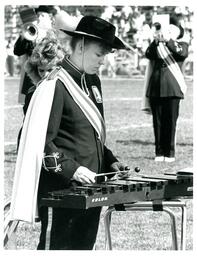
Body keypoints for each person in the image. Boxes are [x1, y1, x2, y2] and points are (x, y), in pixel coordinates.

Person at [10, 15, 130, 250]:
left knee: (84, 247)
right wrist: (73, 170)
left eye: (105, 55)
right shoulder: (55, 83)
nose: (103, 61)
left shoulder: (93, 82)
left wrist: (111, 161)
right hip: (61, 190)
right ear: (82, 46)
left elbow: (92, 136)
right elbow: (41, 142)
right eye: (99, 54)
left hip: (92, 188)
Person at [142, 15, 189, 162]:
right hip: (156, 89)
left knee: (170, 122)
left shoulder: (181, 44)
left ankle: (169, 153)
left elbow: (182, 53)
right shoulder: (157, 45)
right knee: (158, 123)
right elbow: (148, 54)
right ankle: (159, 152)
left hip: (173, 88)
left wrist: (168, 40)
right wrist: (156, 41)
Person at [14, 5, 57, 103]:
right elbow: (17, 51)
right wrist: (24, 34)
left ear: (50, 18)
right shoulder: (31, 32)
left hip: (48, 75)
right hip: (31, 78)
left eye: (42, 15)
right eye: (37, 16)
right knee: (28, 106)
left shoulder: (55, 34)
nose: (39, 18)